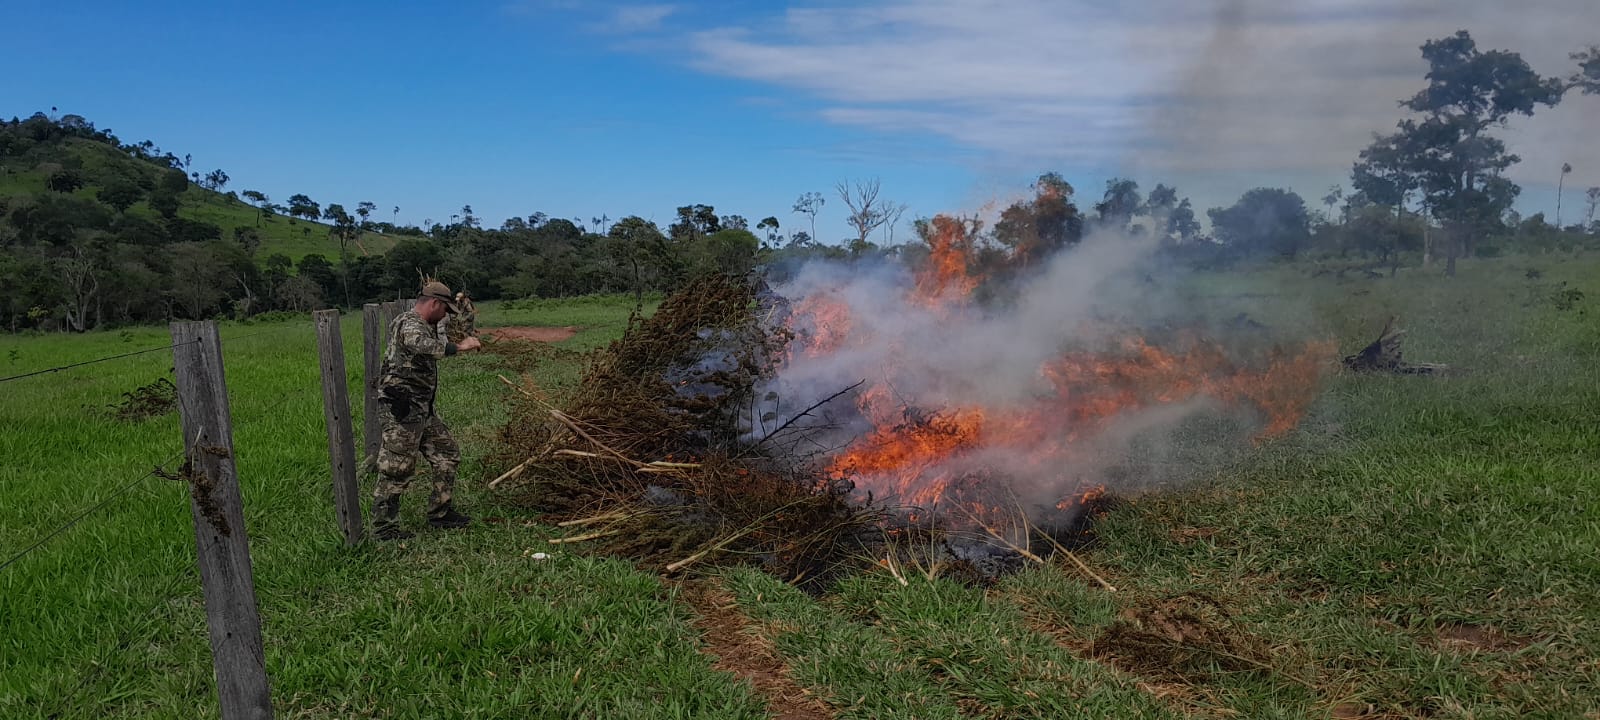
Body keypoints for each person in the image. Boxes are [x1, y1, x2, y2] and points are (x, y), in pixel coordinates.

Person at [370, 281, 482, 541]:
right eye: (445, 310)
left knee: (447, 453)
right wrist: (460, 347)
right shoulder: (409, 323)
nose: (445, 315)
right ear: (434, 303)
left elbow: (448, 331)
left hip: (421, 409)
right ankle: (384, 528)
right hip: (401, 409)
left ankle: (440, 513)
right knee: (397, 467)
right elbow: (420, 344)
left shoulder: (426, 323)